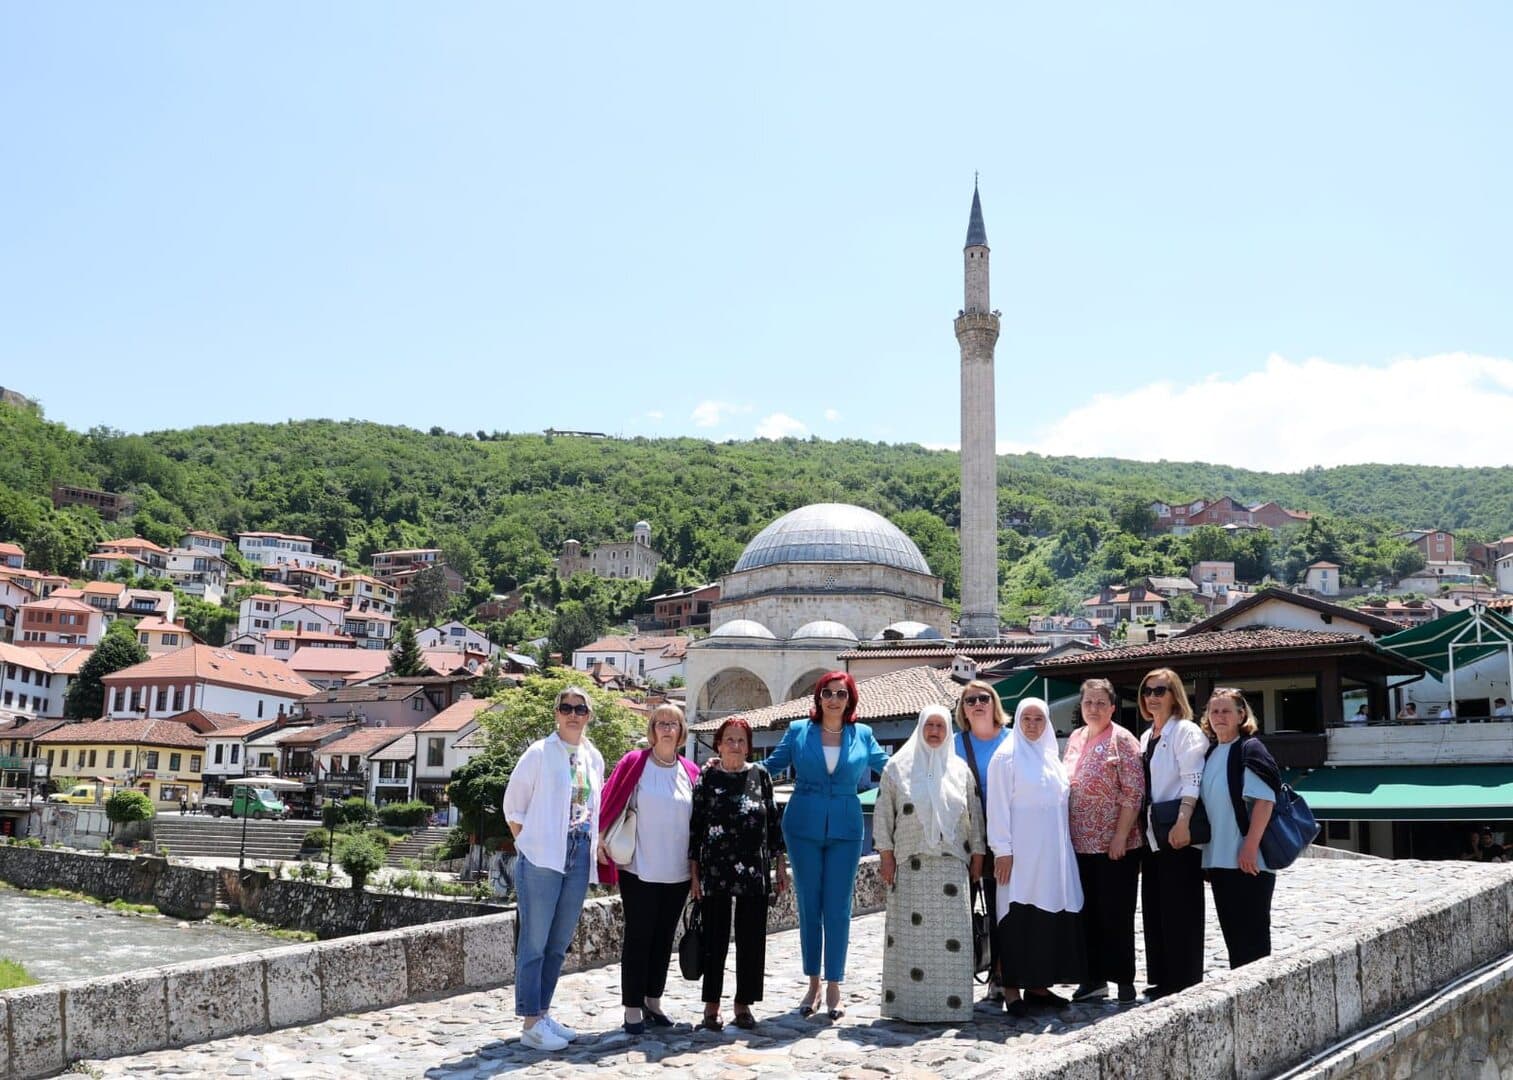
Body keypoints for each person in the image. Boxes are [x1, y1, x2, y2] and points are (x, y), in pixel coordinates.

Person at [762, 670, 889, 1020]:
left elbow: (891, 768)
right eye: (827, 693)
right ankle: (813, 983)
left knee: (838, 907)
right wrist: (729, 766)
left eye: (841, 694)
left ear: (850, 700)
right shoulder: (798, 731)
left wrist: (930, 764)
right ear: (818, 697)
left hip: (846, 828)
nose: (834, 699)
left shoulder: (863, 734)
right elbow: (769, 768)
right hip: (802, 825)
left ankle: (834, 984)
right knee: (809, 905)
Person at [502, 685, 605, 1051]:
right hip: (543, 856)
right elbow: (513, 807)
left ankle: (543, 1013)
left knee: (558, 943)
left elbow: (593, 808)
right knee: (534, 941)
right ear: (556, 713)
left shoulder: (593, 757)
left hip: (578, 853)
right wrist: (530, 844)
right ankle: (531, 1022)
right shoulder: (539, 753)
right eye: (566, 707)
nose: (573, 714)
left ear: (589, 715)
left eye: (580, 709)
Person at [875, 704, 985, 1023]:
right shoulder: (897, 768)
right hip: (911, 866)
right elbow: (883, 815)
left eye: (940, 726)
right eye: (930, 725)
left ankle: (953, 1008)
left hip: (952, 868)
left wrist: (978, 857)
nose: (935, 731)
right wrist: (886, 856)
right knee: (913, 942)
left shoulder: (960, 770)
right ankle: (910, 1008)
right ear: (920, 728)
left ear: (948, 731)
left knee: (952, 940)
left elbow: (974, 817)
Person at [599, 703, 700, 1034]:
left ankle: (653, 1000)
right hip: (639, 868)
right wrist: (600, 839)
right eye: (661, 723)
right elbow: (610, 799)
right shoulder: (635, 763)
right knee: (639, 936)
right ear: (652, 729)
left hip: (677, 871)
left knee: (664, 938)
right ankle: (632, 1006)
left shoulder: (691, 771)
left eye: (673, 724)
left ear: (681, 731)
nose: (667, 729)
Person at [987, 697, 1086, 1017]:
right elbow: (997, 807)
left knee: (1045, 921)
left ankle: (1038, 987)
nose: (1032, 725)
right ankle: (1011, 989)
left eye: (1039, 719)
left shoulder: (1050, 757)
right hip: (1020, 857)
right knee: (1016, 919)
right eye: (1026, 719)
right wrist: (1002, 851)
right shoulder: (1006, 758)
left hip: (1053, 856)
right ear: (1017, 721)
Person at [688, 716, 787, 1031]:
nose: (735, 745)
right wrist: (694, 874)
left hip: (754, 869)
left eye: (741, 740)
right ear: (718, 744)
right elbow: (696, 827)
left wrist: (780, 864)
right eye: (729, 739)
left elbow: (773, 823)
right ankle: (711, 1005)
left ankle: (743, 1004)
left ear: (749, 747)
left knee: (751, 939)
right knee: (714, 939)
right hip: (715, 870)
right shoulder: (707, 777)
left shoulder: (761, 776)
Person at [1064, 678, 1144, 1004]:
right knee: (1087, 915)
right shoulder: (1075, 738)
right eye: (1088, 702)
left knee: (1116, 914)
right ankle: (1093, 979)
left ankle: (1124, 980)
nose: (1093, 708)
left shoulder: (1122, 739)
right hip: (1079, 844)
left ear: (1112, 707)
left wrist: (1120, 836)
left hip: (1115, 845)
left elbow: (1133, 792)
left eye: (1100, 703)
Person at [1137, 667, 1209, 999]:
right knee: (1156, 906)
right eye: (1147, 691)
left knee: (1181, 907)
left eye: (1160, 690)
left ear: (1174, 694)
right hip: (1153, 832)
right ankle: (1163, 976)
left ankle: (1184, 978)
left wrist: (1183, 821)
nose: (1152, 697)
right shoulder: (1147, 736)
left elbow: (1192, 779)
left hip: (1177, 829)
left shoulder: (1185, 731)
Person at [1198, 688, 1279, 969]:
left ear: (1241, 715)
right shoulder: (1211, 752)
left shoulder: (1250, 748)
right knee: (1234, 940)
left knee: (1253, 942)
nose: (1219, 716)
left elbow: (1265, 801)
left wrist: (1250, 846)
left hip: (1248, 861)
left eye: (1226, 711)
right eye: (1214, 711)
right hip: (1220, 862)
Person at [953, 679, 1010, 1000]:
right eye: (970, 700)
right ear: (963, 709)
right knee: (961, 909)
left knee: (1002, 907)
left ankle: (1000, 974)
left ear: (994, 703)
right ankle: (959, 976)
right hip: (964, 836)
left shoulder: (1011, 740)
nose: (977, 704)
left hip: (1004, 835)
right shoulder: (954, 744)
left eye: (983, 698)